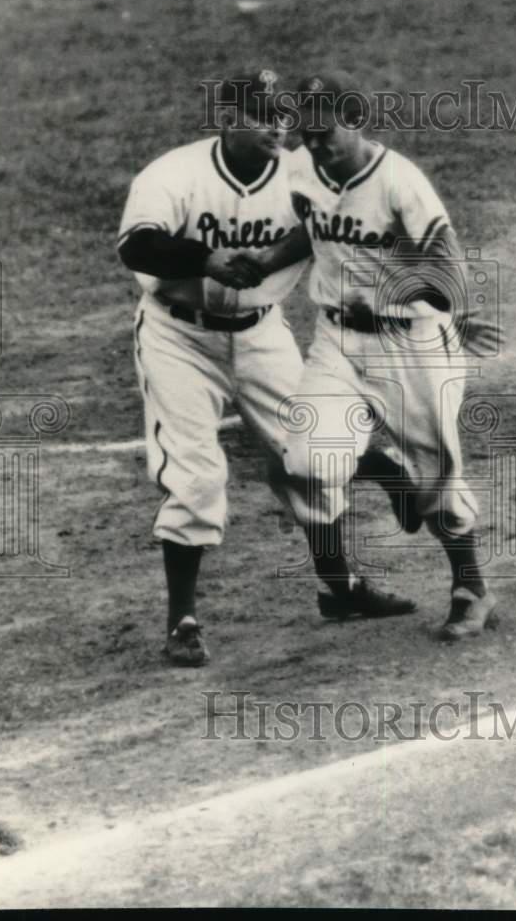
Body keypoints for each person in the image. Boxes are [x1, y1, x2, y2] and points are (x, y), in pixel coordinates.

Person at [279, 72, 501, 640]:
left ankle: (470, 588)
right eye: (306, 132)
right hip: (335, 339)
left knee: (437, 472)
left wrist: (456, 310)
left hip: (411, 342)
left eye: (325, 131)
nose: (314, 142)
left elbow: (446, 259)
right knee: (306, 461)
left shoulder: (400, 181)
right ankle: (382, 473)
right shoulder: (301, 167)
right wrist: (260, 265)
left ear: (355, 120)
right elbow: (313, 226)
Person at [117, 70, 312, 667]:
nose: (277, 128)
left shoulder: (303, 173)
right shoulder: (172, 174)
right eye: (262, 117)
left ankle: (342, 587)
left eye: (282, 116)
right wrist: (207, 258)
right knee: (197, 479)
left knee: (316, 455)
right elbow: (136, 246)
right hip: (179, 337)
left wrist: (269, 259)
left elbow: (326, 224)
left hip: (261, 332)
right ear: (227, 120)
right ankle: (182, 621)